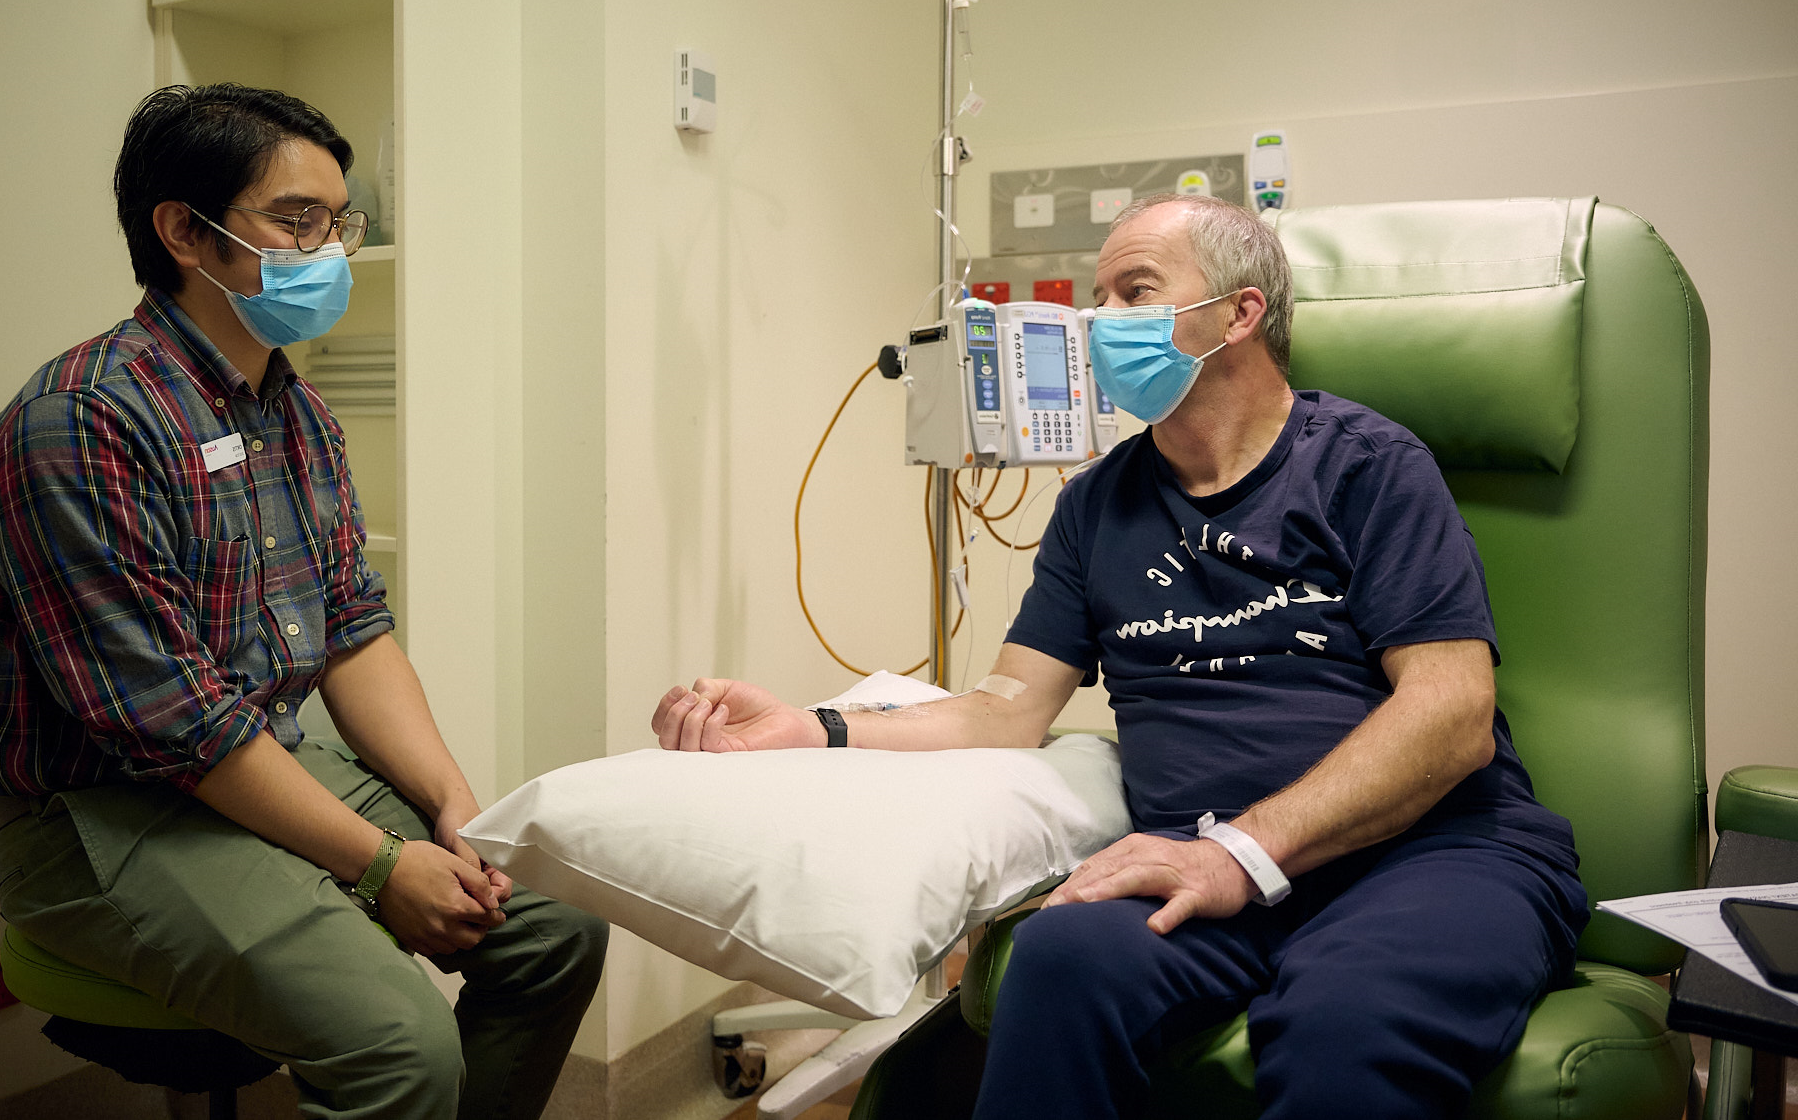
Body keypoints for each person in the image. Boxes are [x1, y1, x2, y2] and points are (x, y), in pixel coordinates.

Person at [650, 193, 1585, 1118]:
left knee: (1346, 1029)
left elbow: (1451, 713)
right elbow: (1006, 707)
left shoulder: (1367, 466)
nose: (1099, 322)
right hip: (1199, 865)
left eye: (1134, 292)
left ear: (1238, 314)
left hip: (1428, 854)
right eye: (1095, 298)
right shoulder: (1095, 508)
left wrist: (1242, 850)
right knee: (1058, 963)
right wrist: (809, 726)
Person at [0, 84, 605, 1120]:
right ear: (184, 232)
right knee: (402, 1048)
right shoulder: (78, 425)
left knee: (554, 932)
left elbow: (353, 630)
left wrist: (452, 805)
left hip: (263, 759)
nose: (328, 251)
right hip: (107, 812)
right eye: (297, 220)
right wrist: (384, 865)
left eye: (339, 222)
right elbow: (176, 724)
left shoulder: (294, 412)